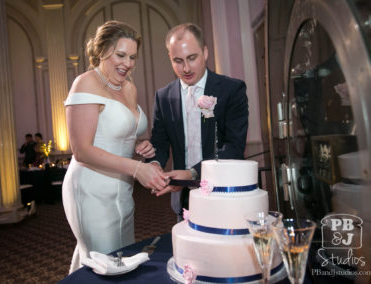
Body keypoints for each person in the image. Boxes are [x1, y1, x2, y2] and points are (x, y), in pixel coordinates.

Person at [62, 20, 167, 273]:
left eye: (132, 57)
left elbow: (127, 132)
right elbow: (82, 150)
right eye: (120, 55)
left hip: (122, 188)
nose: (128, 63)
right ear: (101, 51)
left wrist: (142, 145)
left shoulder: (130, 88)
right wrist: (136, 169)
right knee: (101, 264)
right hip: (90, 189)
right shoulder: (85, 83)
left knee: (122, 259)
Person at [148, 23, 249, 220]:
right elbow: (159, 143)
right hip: (183, 198)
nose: (185, 68)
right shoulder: (164, 96)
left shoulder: (232, 90)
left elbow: (234, 147)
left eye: (192, 58)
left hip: (224, 193)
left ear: (205, 52)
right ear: (170, 58)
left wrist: (192, 173)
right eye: (178, 61)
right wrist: (154, 165)